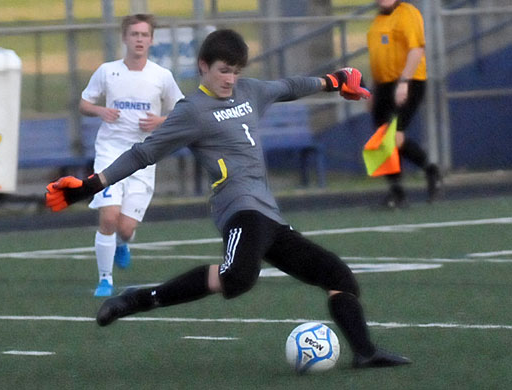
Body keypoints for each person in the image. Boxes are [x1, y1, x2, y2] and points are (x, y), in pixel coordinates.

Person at [46, 29, 411, 368]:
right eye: (223, 70)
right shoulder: (192, 110)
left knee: (339, 275)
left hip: (270, 216)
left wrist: (333, 81)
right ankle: (138, 298)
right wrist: (92, 185)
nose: (229, 79)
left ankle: (365, 352)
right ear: (203, 66)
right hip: (239, 209)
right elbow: (144, 153)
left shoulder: (248, 91)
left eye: (235, 71)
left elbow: (287, 86)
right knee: (238, 278)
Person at [79, 14, 184, 296]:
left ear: (151, 40)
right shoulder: (107, 71)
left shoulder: (161, 76)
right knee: (109, 218)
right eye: (134, 34)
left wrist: (158, 122)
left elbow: (181, 111)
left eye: (144, 35)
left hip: (144, 157)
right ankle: (105, 280)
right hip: (110, 153)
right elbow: (84, 102)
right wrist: (102, 111)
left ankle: (123, 244)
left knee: (125, 229)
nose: (139, 39)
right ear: (125, 38)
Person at [367, 0, 441, 208]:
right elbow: (378, 57)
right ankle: (397, 191)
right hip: (384, 85)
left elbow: (416, 50)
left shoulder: (407, 13)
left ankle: (430, 170)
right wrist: (374, 89)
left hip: (408, 82)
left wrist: (405, 82)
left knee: (394, 136)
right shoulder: (378, 20)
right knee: (383, 140)